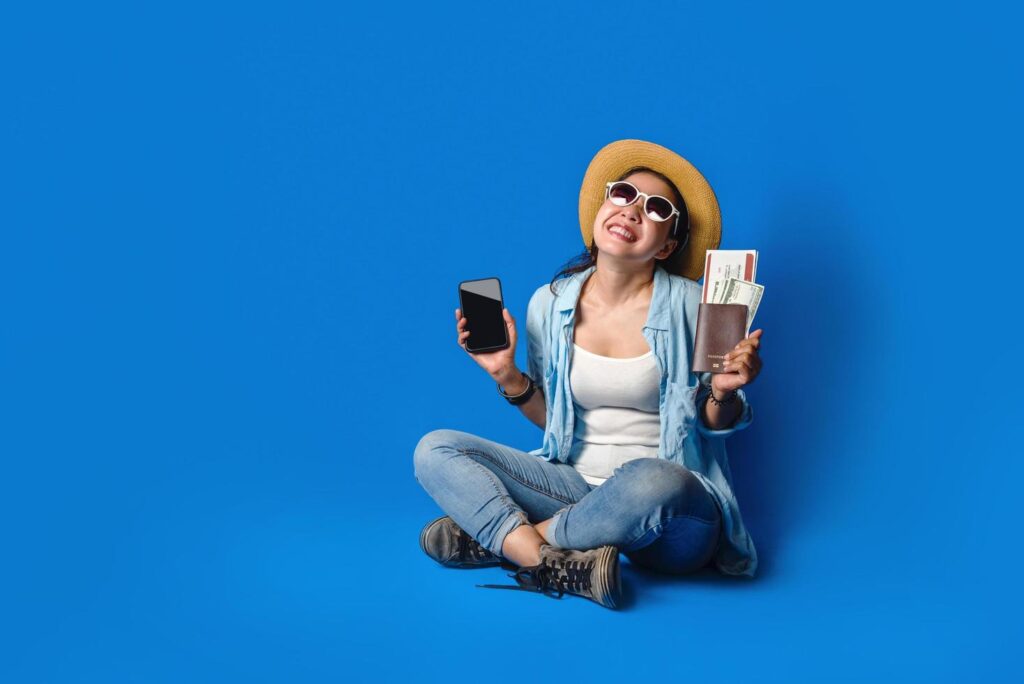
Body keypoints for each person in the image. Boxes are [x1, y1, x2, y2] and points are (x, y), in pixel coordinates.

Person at [413, 139, 763, 609]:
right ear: (602, 210)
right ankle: (555, 561)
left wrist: (721, 393)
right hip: (573, 492)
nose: (633, 211)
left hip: (670, 517)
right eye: (623, 195)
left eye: (655, 208)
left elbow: (711, 422)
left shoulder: (696, 304)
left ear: (669, 245)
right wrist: (507, 376)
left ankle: (505, 543)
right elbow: (553, 423)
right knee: (434, 447)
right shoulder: (549, 302)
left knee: (654, 479)